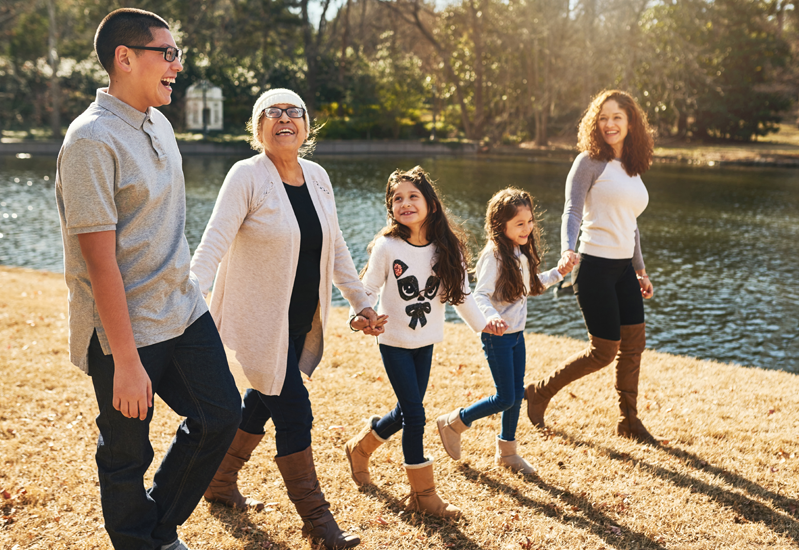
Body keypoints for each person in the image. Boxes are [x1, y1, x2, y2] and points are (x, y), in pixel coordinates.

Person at [54, 9, 241, 550]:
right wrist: (128, 360)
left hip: (181, 309)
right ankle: (140, 542)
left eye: (177, 53)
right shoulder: (90, 140)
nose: (177, 65)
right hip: (124, 330)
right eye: (168, 53)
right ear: (125, 58)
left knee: (220, 416)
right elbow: (100, 262)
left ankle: (157, 531)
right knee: (126, 455)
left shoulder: (158, 121)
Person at [190, 88, 381, 549]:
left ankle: (218, 483)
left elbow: (334, 248)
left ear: (306, 125)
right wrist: (188, 297)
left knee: (262, 399)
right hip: (258, 324)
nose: (284, 119)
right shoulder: (246, 175)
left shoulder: (317, 176)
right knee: (295, 411)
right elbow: (213, 242)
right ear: (258, 128)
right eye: (272, 113)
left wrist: (362, 302)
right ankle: (318, 522)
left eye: (294, 112)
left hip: (299, 323)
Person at [342, 166, 489, 519]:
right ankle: (423, 495)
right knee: (415, 414)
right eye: (397, 198)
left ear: (431, 204)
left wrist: (486, 329)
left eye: (413, 196)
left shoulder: (447, 247)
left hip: (426, 341)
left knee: (406, 411)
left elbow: (463, 296)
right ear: (390, 208)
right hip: (393, 341)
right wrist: (360, 316)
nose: (405, 203)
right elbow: (368, 290)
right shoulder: (387, 246)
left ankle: (360, 447)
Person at [524, 89, 658, 444]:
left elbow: (630, 223)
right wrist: (568, 249)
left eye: (617, 117)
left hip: (624, 271)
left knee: (634, 344)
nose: (609, 124)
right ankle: (539, 391)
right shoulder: (588, 162)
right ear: (594, 124)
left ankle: (628, 419)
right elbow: (571, 210)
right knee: (604, 350)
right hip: (595, 267)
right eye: (603, 118)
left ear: (631, 123)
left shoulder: (631, 167)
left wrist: (641, 270)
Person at [434, 188, 562, 474]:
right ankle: (455, 421)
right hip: (497, 337)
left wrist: (559, 273)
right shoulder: (494, 256)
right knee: (506, 397)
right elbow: (479, 295)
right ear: (500, 225)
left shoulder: (520, 253)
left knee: (515, 395)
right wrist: (490, 318)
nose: (527, 227)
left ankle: (507, 452)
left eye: (530, 221)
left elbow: (529, 287)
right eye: (520, 223)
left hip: (516, 335)